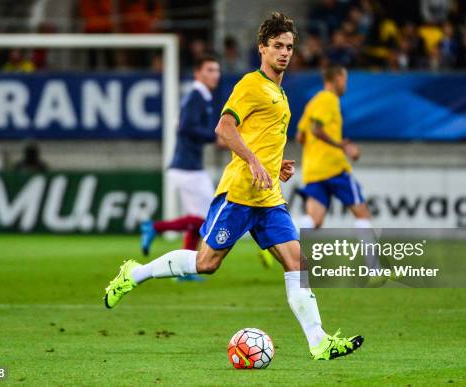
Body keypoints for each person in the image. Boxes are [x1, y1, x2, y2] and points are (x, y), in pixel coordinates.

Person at [104, 12, 364, 361]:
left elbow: (263, 139)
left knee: (297, 263)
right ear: (262, 49)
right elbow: (224, 128)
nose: (285, 52)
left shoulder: (280, 93)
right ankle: (135, 273)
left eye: (289, 46)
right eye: (277, 46)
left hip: (269, 196)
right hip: (240, 192)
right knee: (206, 263)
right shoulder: (251, 85)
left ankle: (318, 341)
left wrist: (275, 165)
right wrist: (254, 162)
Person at [139, 54, 220, 281]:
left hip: (188, 166)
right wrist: (215, 137)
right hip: (188, 168)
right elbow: (185, 128)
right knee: (206, 219)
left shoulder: (200, 96)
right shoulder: (196, 96)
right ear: (198, 73)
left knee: (197, 218)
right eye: (210, 70)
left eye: (217, 70)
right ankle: (155, 227)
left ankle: (185, 270)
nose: (216, 75)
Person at [295, 65, 381, 276]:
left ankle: (280, 238)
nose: (346, 84)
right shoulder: (329, 99)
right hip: (333, 167)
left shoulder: (313, 102)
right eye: (345, 79)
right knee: (362, 212)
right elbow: (316, 130)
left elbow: (300, 136)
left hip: (313, 170)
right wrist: (341, 145)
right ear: (337, 78)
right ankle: (374, 268)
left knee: (314, 220)